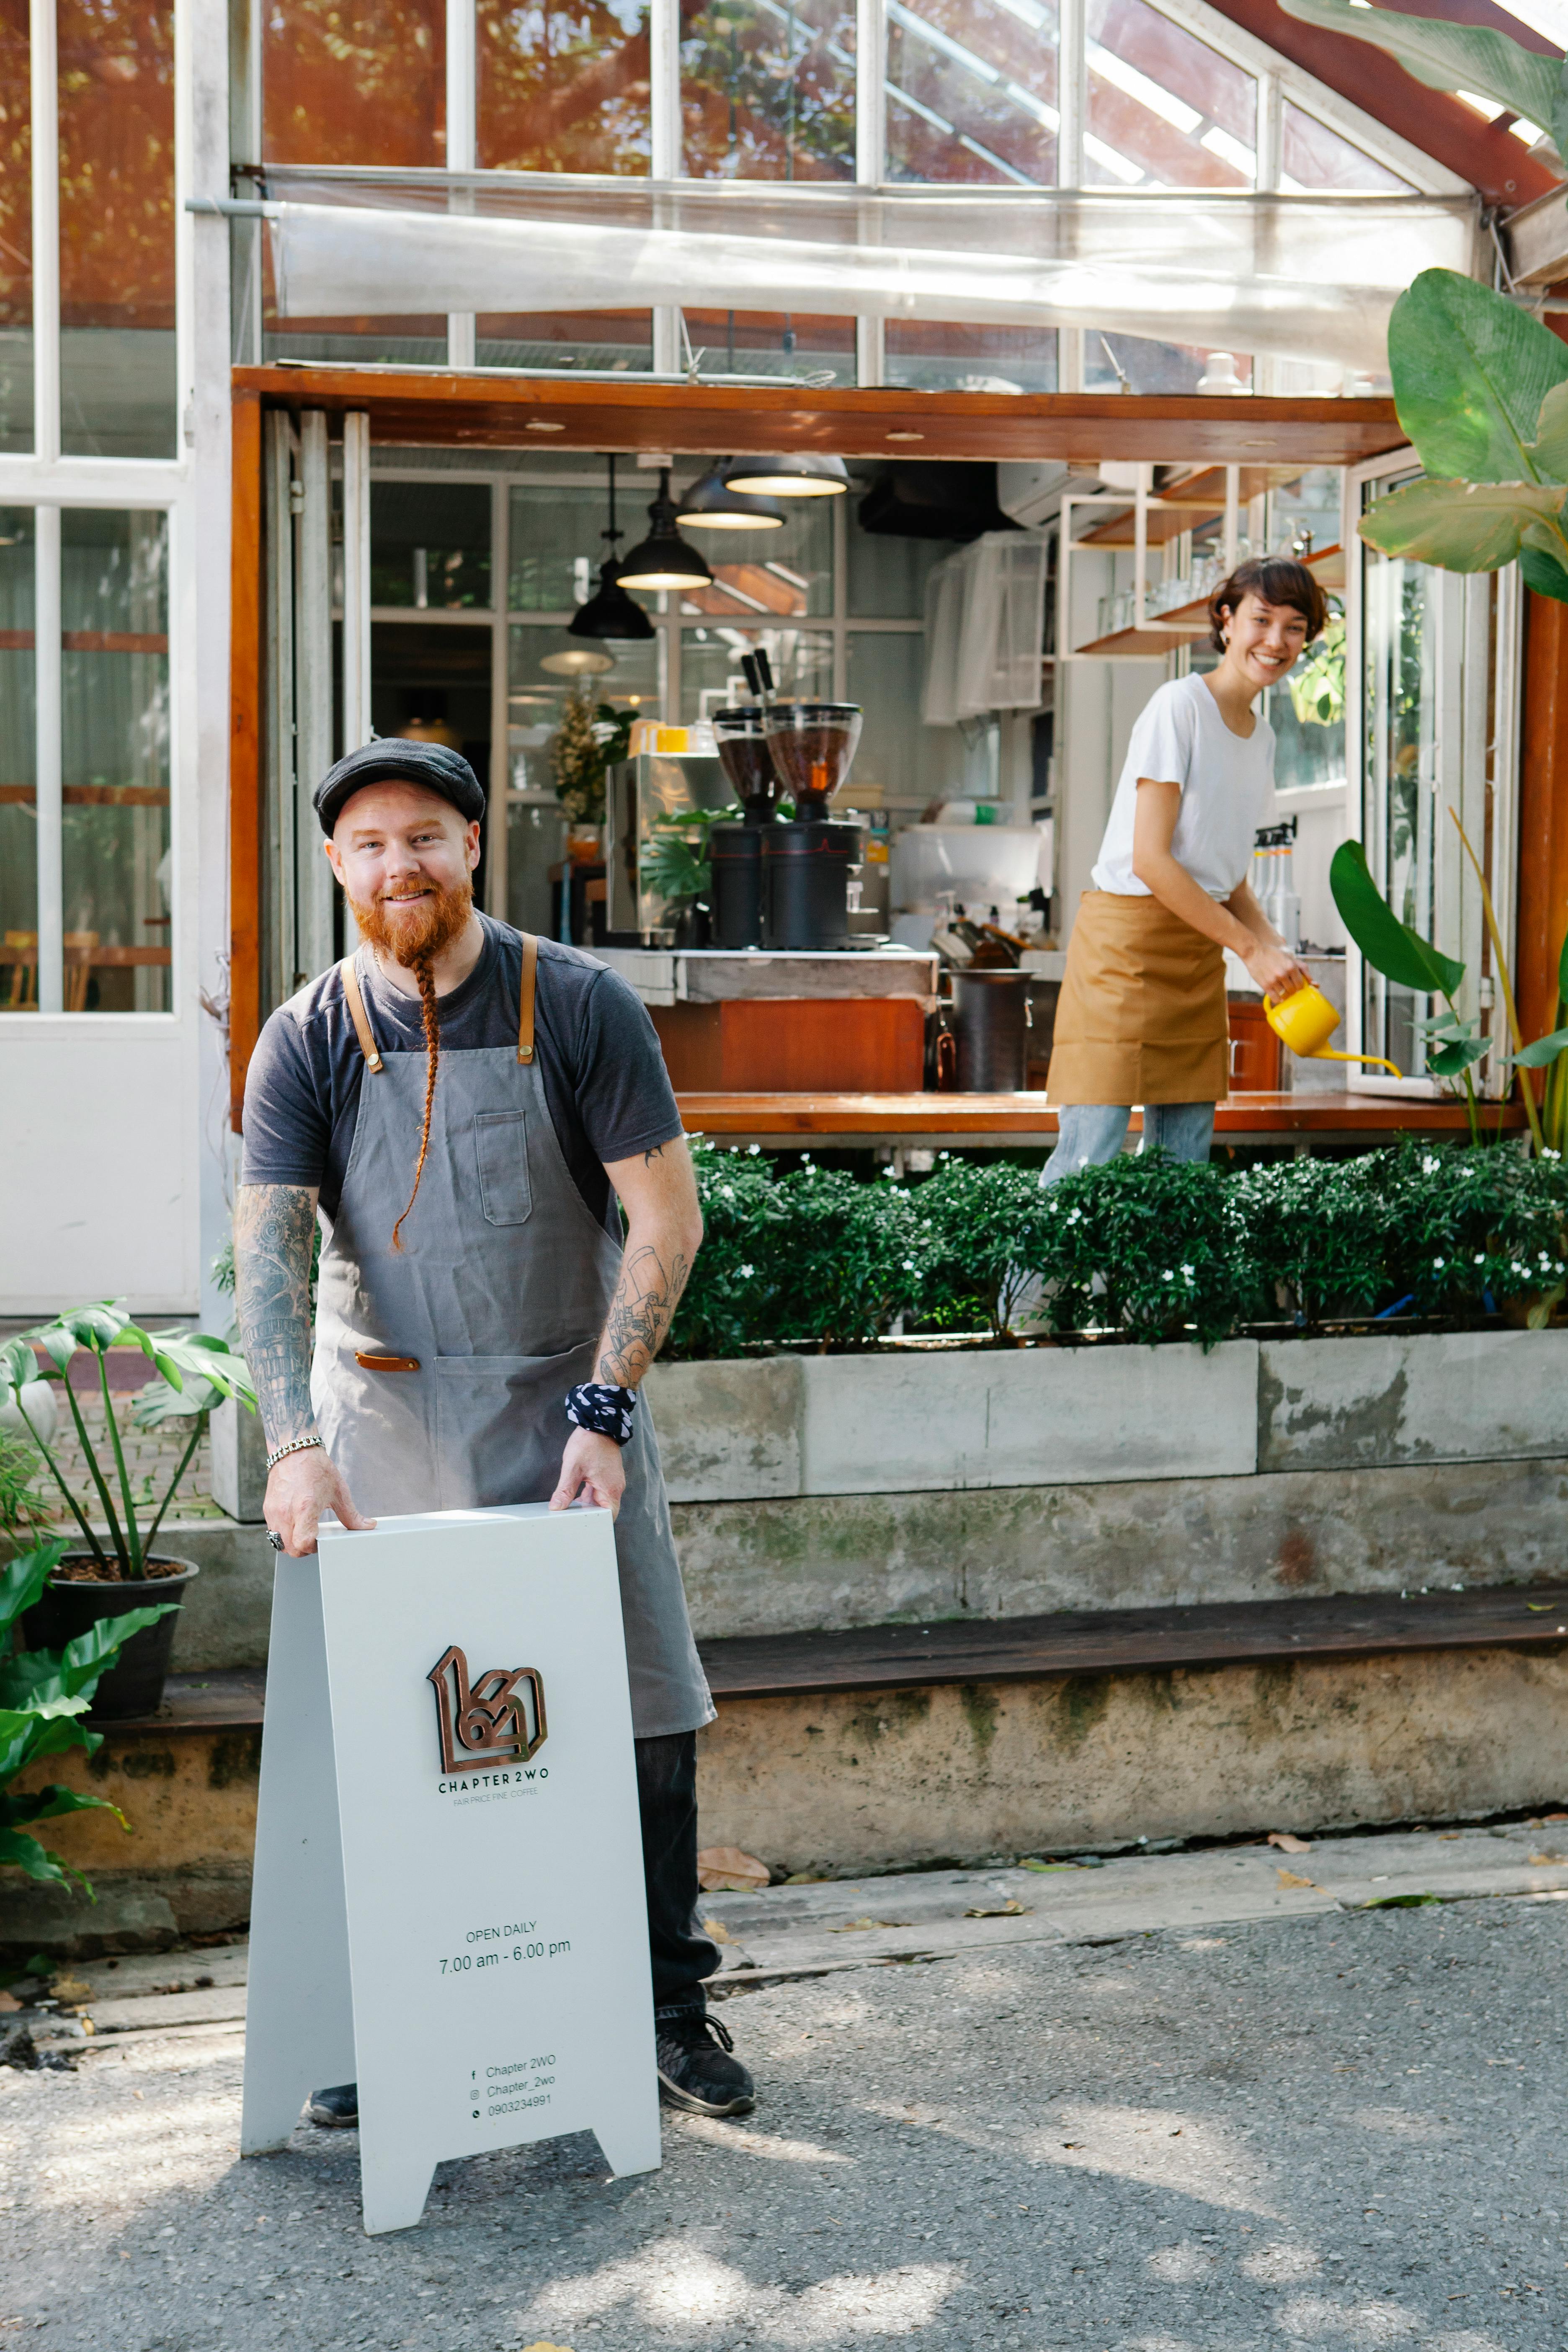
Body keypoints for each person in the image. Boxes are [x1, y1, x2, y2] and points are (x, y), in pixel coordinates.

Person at [234, 737, 753, 2125]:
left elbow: (666, 1218)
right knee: (394, 1734)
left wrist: (605, 1411)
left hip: (563, 1409)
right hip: (385, 1420)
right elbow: (270, 1262)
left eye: (423, 836)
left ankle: (665, 2012)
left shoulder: (579, 1005)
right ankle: (381, 2022)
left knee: (642, 1709)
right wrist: (292, 1442)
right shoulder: (308, 1035)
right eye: (367, 845)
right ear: (337, 866)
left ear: (472, 845)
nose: (396, 864)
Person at [1042, 556, 1320, 1179]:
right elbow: (1151, 860)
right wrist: (1250, 950)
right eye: (1261, 619)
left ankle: (1155, 1282)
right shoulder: (1180, 707)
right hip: (1126, 947)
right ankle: (1040, 1285)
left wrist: (1277, 948)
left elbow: (1223, 870)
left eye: (1295, 628)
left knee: (1183, 1163)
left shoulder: (1263, 737)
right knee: (1091, 1154)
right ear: (1226, 621)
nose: (1276, 642)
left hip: (1196, 955)